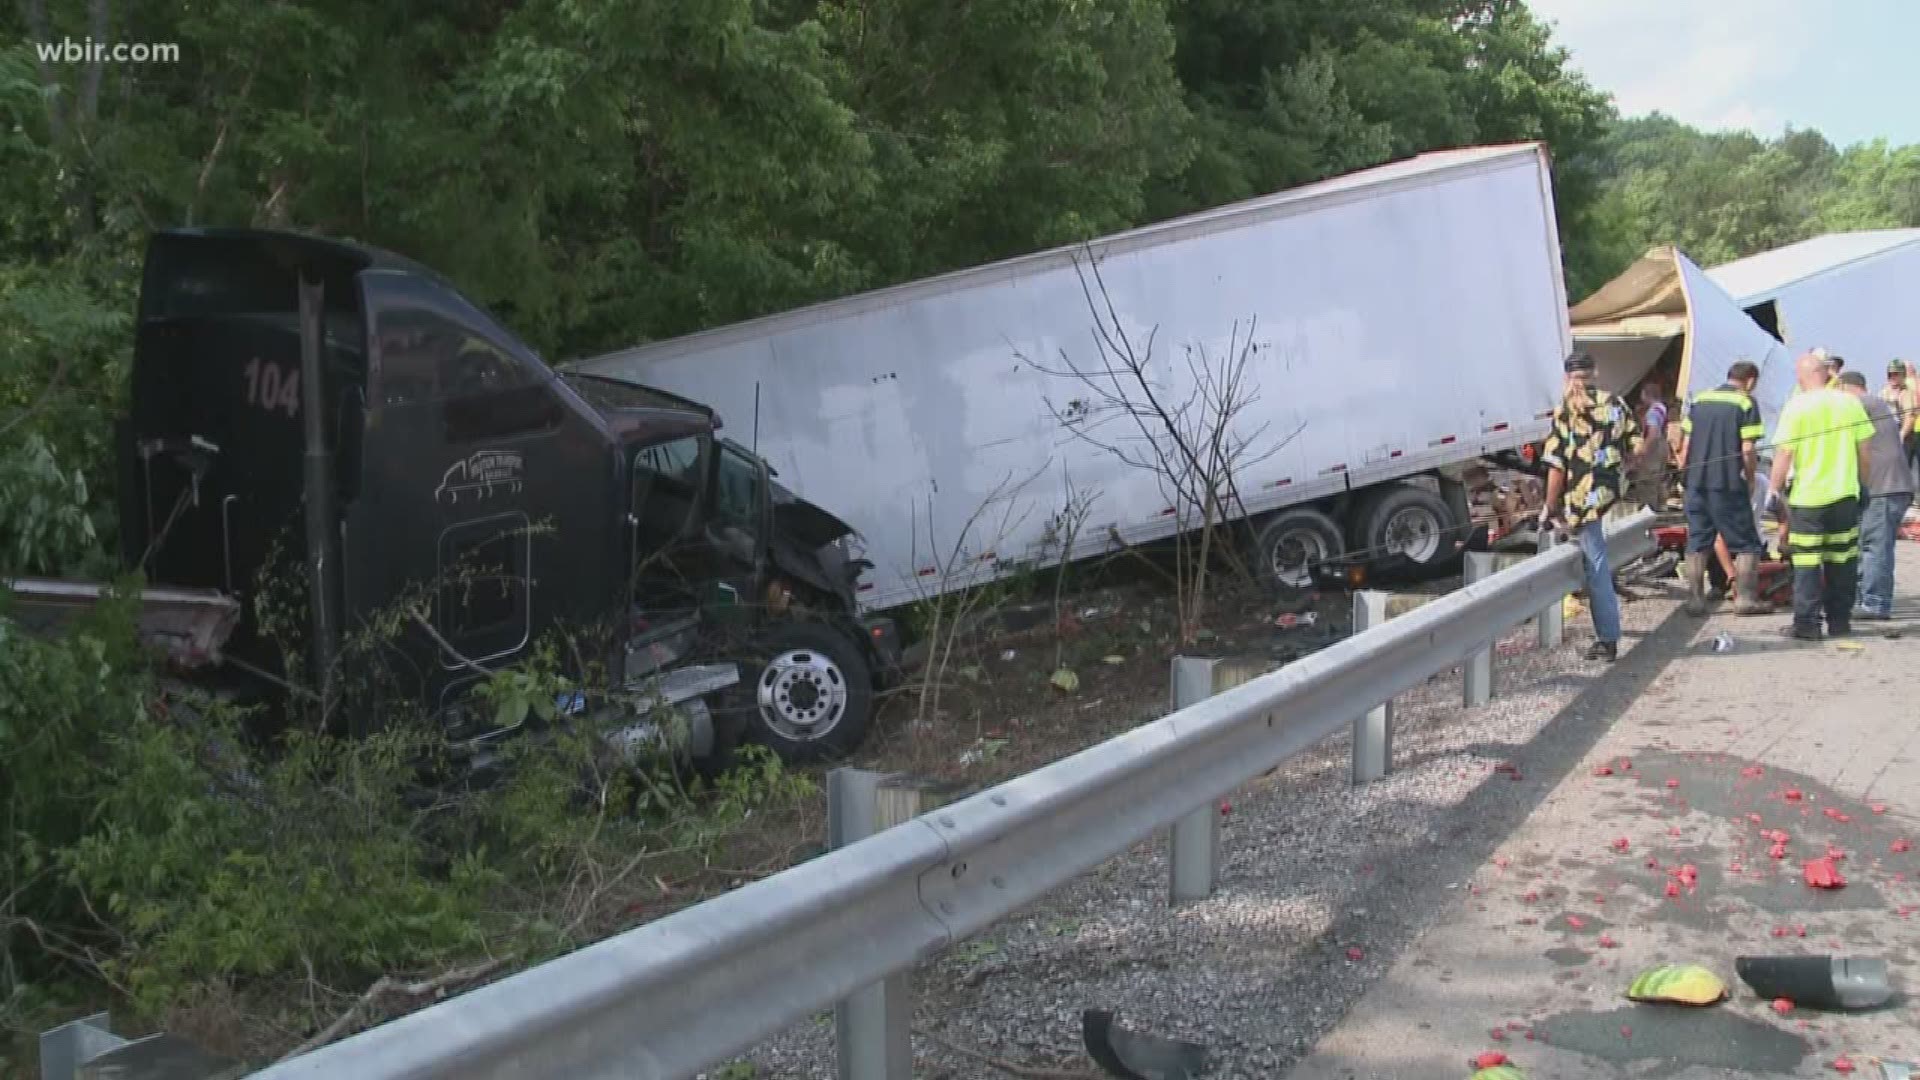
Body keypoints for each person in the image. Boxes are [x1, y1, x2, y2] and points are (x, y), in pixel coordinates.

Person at [1539, 352, 1642, 662]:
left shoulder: (1566, 411)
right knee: (1595, 561)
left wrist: (1549, 506)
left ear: (1568, 376)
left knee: (1596, 566)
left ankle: (1608, 638)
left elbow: (1556, 465)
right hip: (1609, 493)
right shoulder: (1615, 403)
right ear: (1594, 372)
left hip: (1581, 499)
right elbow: (1637, 444)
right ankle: (1606, 634)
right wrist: (1624, 467)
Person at [1767, 350, 1873, 640]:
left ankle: (1807, 624)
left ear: (1801, 377)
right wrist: (1863, 485)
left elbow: (1784, 453)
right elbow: (1865, 452)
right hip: (1844, 496)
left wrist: (1773, 490)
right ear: (1825, 373)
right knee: (1843, 562)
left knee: (1807, 564)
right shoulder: (1849, 403)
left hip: (1808, 500)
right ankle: (1840, 623)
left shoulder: (1797, 406)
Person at [1674, 361, 1771, 616]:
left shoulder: (1700, 400)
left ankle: (1695, 600)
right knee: (1747, 543)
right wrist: (1750, 478)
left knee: (1697, 540)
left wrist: (1685, 475)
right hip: (1727, 483)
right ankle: (1746, 599)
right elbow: (1748, 449)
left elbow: (1684, 447)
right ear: (1750, 380)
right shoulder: (1745, 403)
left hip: (1695, 483)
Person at [1839, 371, 1911, 620]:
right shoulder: (1875, 405)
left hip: (1884, 487)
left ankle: (1875, 602)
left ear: (1846, 388)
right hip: (1884, 486)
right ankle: (1864, 599)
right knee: (1864, 545)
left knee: (1874, 547)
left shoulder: (1862, 403)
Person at [1629, 382, 1671, 512]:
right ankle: (1661, 506)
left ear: (1646, 395)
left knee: (1647, 480)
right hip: (1663, 445)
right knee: (1658, 478)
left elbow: (1653, 432)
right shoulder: (1662, 408)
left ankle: (1648, 510)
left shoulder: (1653, 411)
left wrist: (1644, 449)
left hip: (1654, 448)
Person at [1882, 358, 1920, 485]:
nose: (1893, 377)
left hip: (1903, 435)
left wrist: (1902, 435)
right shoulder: (1884, 392)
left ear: (1903, 375)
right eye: (1891, 374)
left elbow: (1910, 416)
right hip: (1888, 433)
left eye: (1896, 374)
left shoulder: (1906, 393)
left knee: (1904, 469)